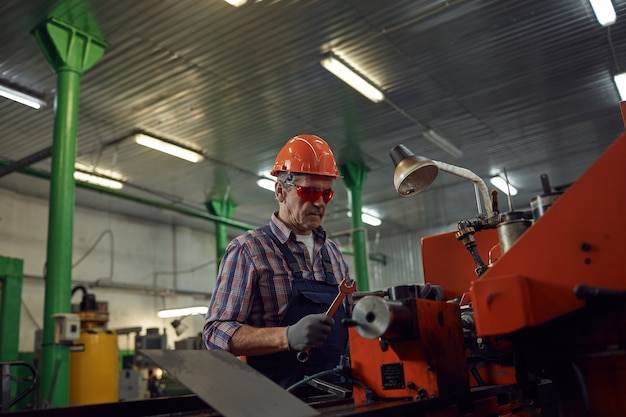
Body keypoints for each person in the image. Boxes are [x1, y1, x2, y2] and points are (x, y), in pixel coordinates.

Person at [203, 134, 354, 389]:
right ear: (280, 191)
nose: (318, 202)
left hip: (339, 399)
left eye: (326, 194)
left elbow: (350, 330)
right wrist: (286, 336)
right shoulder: (249, 250)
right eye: (309, 191)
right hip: (277, 404)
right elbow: (215, 333)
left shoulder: (334, 255)